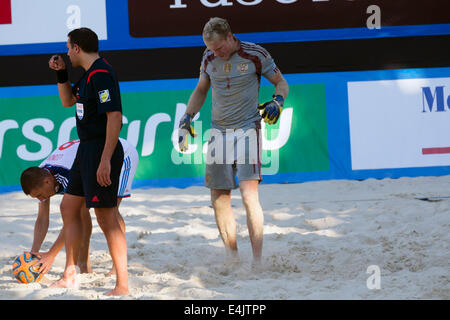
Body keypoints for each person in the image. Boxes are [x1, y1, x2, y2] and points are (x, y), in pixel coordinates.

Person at [178, 17, 289, 267]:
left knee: (250, 196)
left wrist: (277, 101)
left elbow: (282, 83)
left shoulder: (254, 54)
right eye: (211, 49)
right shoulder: (208, 58)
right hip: (218, 132)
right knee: (218, 197)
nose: (215, 52)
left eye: (218, 47)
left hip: (248, 129)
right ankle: (232, 256)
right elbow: (201, 90)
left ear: (230, 37)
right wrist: (186, 119)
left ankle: (257, 261)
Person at [47, 27, 128, 295]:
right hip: (86, 151)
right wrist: (61, 74)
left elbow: (114, 117)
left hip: (100, 151)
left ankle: (123, 284)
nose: (67, 52)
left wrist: (105, 159)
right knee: (69, 207)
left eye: (69, 47)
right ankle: (70, 272)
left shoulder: (102, 73)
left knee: (106, 218)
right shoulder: (88, 75)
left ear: (78, 47)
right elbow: (68, 101)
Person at [20, 137, 138, 277]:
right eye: (37, 197)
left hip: (121, 152)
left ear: (47, 181)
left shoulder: (68, 174)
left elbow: (72, 219)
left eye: (39, 195)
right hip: (91, 157)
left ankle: (118, 267)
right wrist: (34, 254)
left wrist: (51, 254)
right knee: (81, 211)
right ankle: (84, 265)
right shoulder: (39, 176)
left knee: (109, 211)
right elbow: (42, 218)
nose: (41, 199)